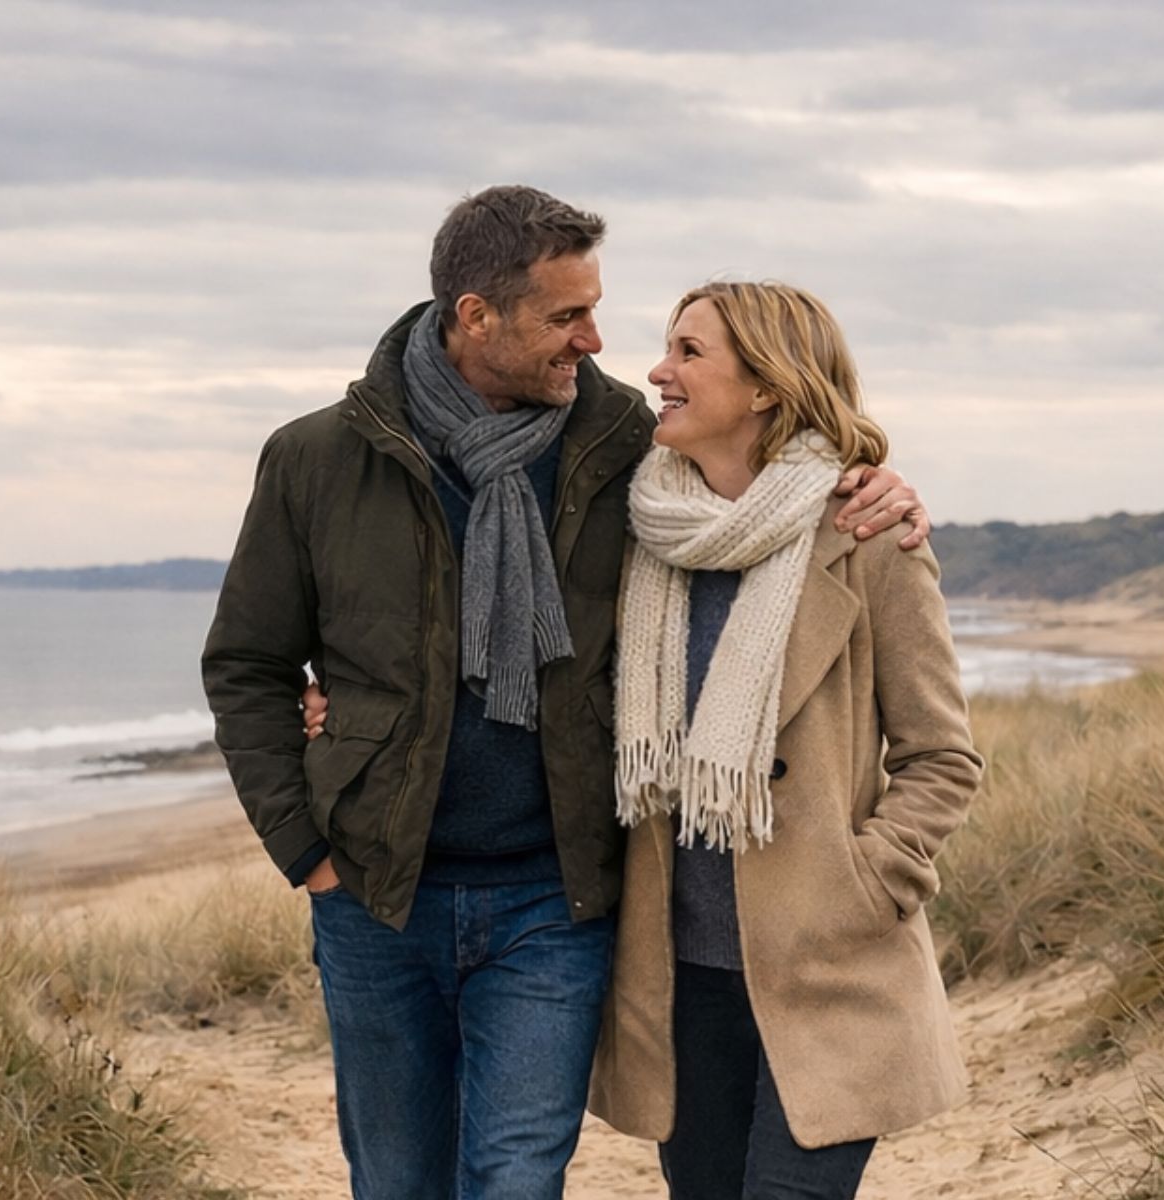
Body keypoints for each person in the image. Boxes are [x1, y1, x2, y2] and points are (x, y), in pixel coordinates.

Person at [203, 186, 929, 1200]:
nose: (596, 341)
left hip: (554, 899)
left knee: (515, 1178)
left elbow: (763, 492)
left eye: (598, 310)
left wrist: (873, 485)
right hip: (373, 892)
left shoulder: (625, 446)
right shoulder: (319, 460)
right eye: (565, 316)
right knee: (399, 1181)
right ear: (475, 316)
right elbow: (247, 667)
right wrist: (306, 849)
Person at [587, 281, 984, 1199]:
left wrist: (869, 881)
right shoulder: (642, 533)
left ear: (767, 387)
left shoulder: (866, 534)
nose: (659, 371)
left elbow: (941, 757)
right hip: (682, 978)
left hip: (831, 966)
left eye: (689, 352)